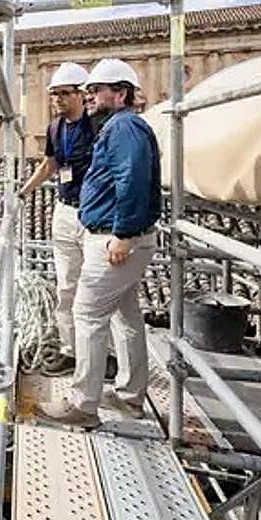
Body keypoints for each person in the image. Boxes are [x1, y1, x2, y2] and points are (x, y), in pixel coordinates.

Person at [35, 58, 162, 429]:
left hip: (114, 238)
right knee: (127, 316)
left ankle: (83, 405)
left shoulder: (124, 128)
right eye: (86, 90)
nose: (88, 97)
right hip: (116, 236)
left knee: (87, 315)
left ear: (120, 94)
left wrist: (121, 234)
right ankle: (129, 397)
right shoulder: (121, 127)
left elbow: (133, 180)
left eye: (95, 90)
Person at [17, 62, 95, 377]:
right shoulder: (55, 128)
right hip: (64, 210)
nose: (58, 100)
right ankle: (70, 351)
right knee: (66, 287)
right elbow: (50, 164)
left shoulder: (98, 126)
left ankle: (102, 356)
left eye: (64, 94)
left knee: (98, 289)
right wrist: (23, 192)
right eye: (54, 95)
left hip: (93, 215)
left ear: (82, 95)